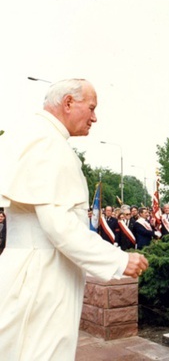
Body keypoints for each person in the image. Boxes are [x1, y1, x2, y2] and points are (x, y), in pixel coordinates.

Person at [0, 78, 148, 360]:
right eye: (91, 107)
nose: (95, 117)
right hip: (43, 275)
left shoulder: (30, 133)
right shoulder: (48, 143)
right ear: (68, 102)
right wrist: (118, 260)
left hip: (30, 268)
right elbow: (59, 226)